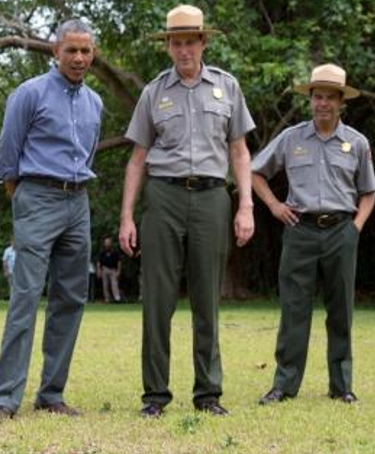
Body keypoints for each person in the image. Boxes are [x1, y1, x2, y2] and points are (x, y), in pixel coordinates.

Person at [118, 5, 255, 418]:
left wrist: (246, 205)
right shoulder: (154, 92)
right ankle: (155, 396)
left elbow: (239, 151)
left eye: (189, 41)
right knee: (157, 298)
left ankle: (208, 393)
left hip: (213, 198)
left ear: (203, 42)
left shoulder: (227, 88)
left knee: (207, 298)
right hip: (164, 197)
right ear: (168, 47)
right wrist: (127, 217)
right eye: (175, 43)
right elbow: (137, 159)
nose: (183, 50)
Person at [0, 19, 103, 422]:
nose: (79, 58)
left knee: (71, 299)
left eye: (86, 51)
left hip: (78, 202)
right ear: (56, 52)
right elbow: (8, 154)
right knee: (26, 296)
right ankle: (4, 398)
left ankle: (51, 393)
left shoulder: (95, 103)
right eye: (71, 50)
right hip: (36, 196)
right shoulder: (30, 93)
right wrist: (20, 196)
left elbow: (87, 156)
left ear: (93, 54)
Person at [251, 64, 375, 406]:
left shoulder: (357, 143)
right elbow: (255, 173)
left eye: (329, 98)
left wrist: (356, 228)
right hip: (300, 230)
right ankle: (284, 385)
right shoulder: (291, 138)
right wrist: (275, 206)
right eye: (317, 97)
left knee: (341, 311)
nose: (322, 104)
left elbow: (369, 192)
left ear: (341, 102)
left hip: (341, 231)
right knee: (294, 309)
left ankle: (342, 385)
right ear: (310, 100)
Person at [96, 235, 122, 303]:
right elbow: (99, 262)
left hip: (113, 269)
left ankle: (117, 298)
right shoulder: (102, 252)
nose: (107, 244)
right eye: (106, 242)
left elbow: (119, 262)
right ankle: (107, 299)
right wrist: (99, 270)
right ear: (104, 243)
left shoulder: (115, 251)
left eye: (109, 242)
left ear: (111, 243)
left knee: (114, 284)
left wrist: (119, 271)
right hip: (105, 269)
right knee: (105, 285)